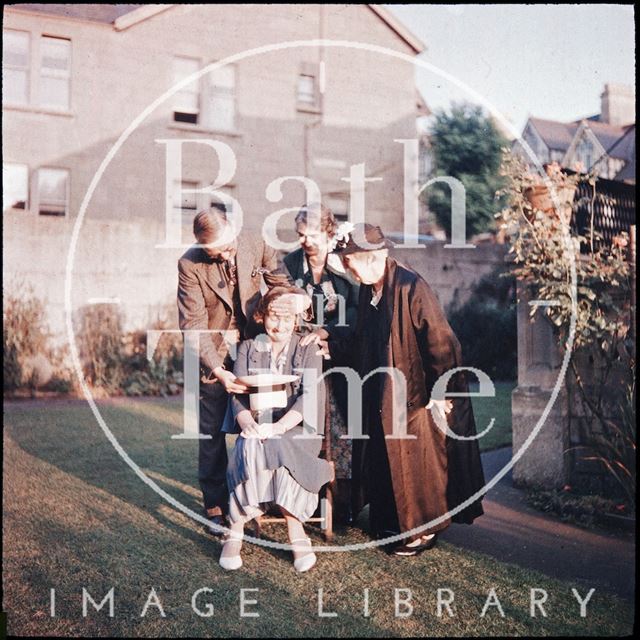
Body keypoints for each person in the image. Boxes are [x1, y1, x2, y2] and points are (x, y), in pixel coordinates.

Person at [318, 223, 485, 556]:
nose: (347, 268)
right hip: (385, 395)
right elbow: (364, 338)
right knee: (391, 462)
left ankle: (422, 533)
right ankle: (395, 524)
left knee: (421, 467)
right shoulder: (371, 289)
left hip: (417, 396)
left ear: (369, 257)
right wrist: (330, 342)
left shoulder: (411, 286)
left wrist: (441, 391)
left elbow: (442, 342)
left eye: (350, 261)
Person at [177, 209, 304, 535]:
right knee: (212, 435)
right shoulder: (189, 265)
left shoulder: (256, 242)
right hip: (213, 359)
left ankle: (257, 502)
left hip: (255, 351)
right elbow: (193, 326)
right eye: (214, 251)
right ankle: (217, 508)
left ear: (234, 229)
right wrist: (219, 371)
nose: (224, 253)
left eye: (227, 244)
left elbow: (281, 284)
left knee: (262, 425)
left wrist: (299, 306)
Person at [219, 286, 334, 572]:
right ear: (262, 316)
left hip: (297, 428)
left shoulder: (308, 348)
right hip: (258, 424)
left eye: (286, 317)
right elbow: (238, 394)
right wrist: (247, 422)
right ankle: (236, 531)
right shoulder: (247, 347)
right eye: (272, 316)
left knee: (278, 443)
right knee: (250, 443)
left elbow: (310, 396)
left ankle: (295, 532)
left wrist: (280, 426)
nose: (279, 324)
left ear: (296, 319)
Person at [284, 203, 359, 522]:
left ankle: (340, 505)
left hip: (342, 359)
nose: (305, 241)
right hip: (302, 358)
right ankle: (298, 497)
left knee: (342, 429)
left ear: (328, 233)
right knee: (304, 423)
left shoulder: (343, 266)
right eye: (301, 235)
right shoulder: (290, 264)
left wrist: (328, 333)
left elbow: (359, 312)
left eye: (312, 235)